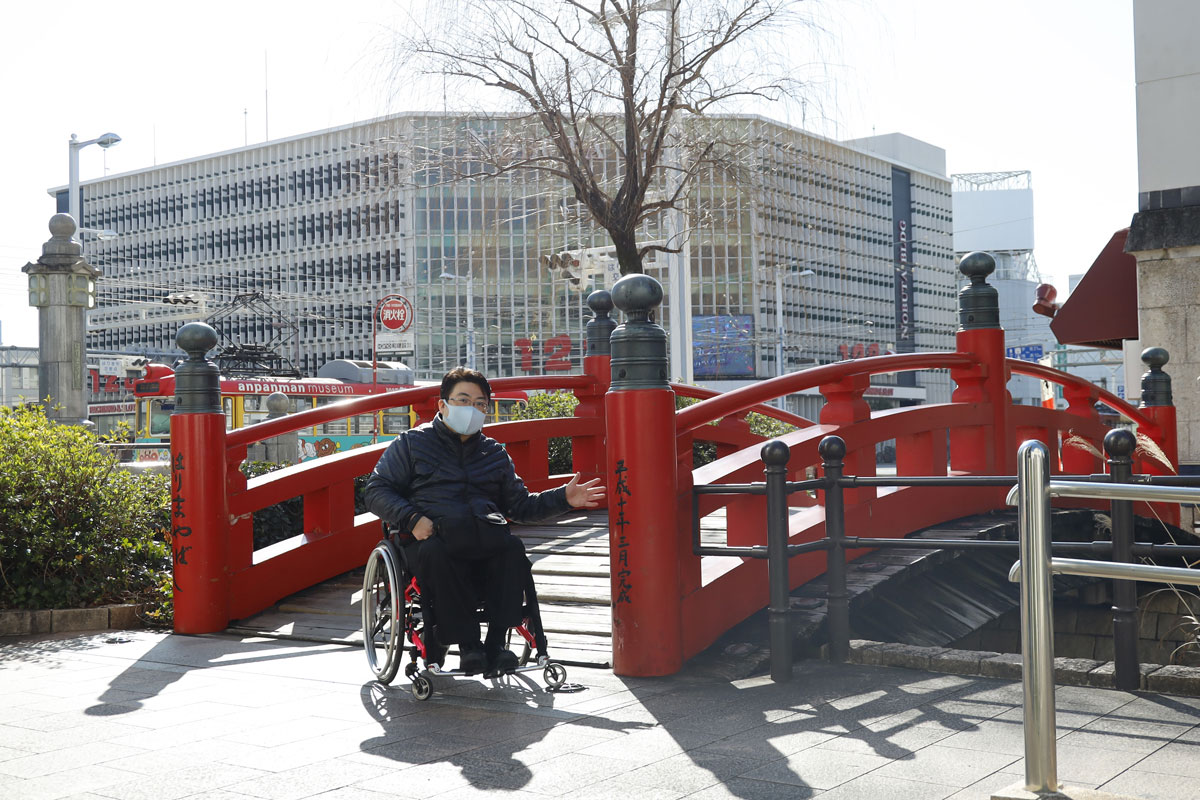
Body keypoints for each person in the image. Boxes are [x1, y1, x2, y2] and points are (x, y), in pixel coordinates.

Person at [364, 367, 605, 677]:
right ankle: (467, 646)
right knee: (440, 554)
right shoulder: (411, 443)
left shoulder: (493, 453)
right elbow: (376, 490)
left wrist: (563, 499)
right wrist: (412, 519)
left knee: (511, 549)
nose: (472, 409)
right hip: (431, 537)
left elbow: (519, 506)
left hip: (484, 536)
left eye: (480, 404)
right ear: (443, 405)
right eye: (463, 400)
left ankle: (495, 646)